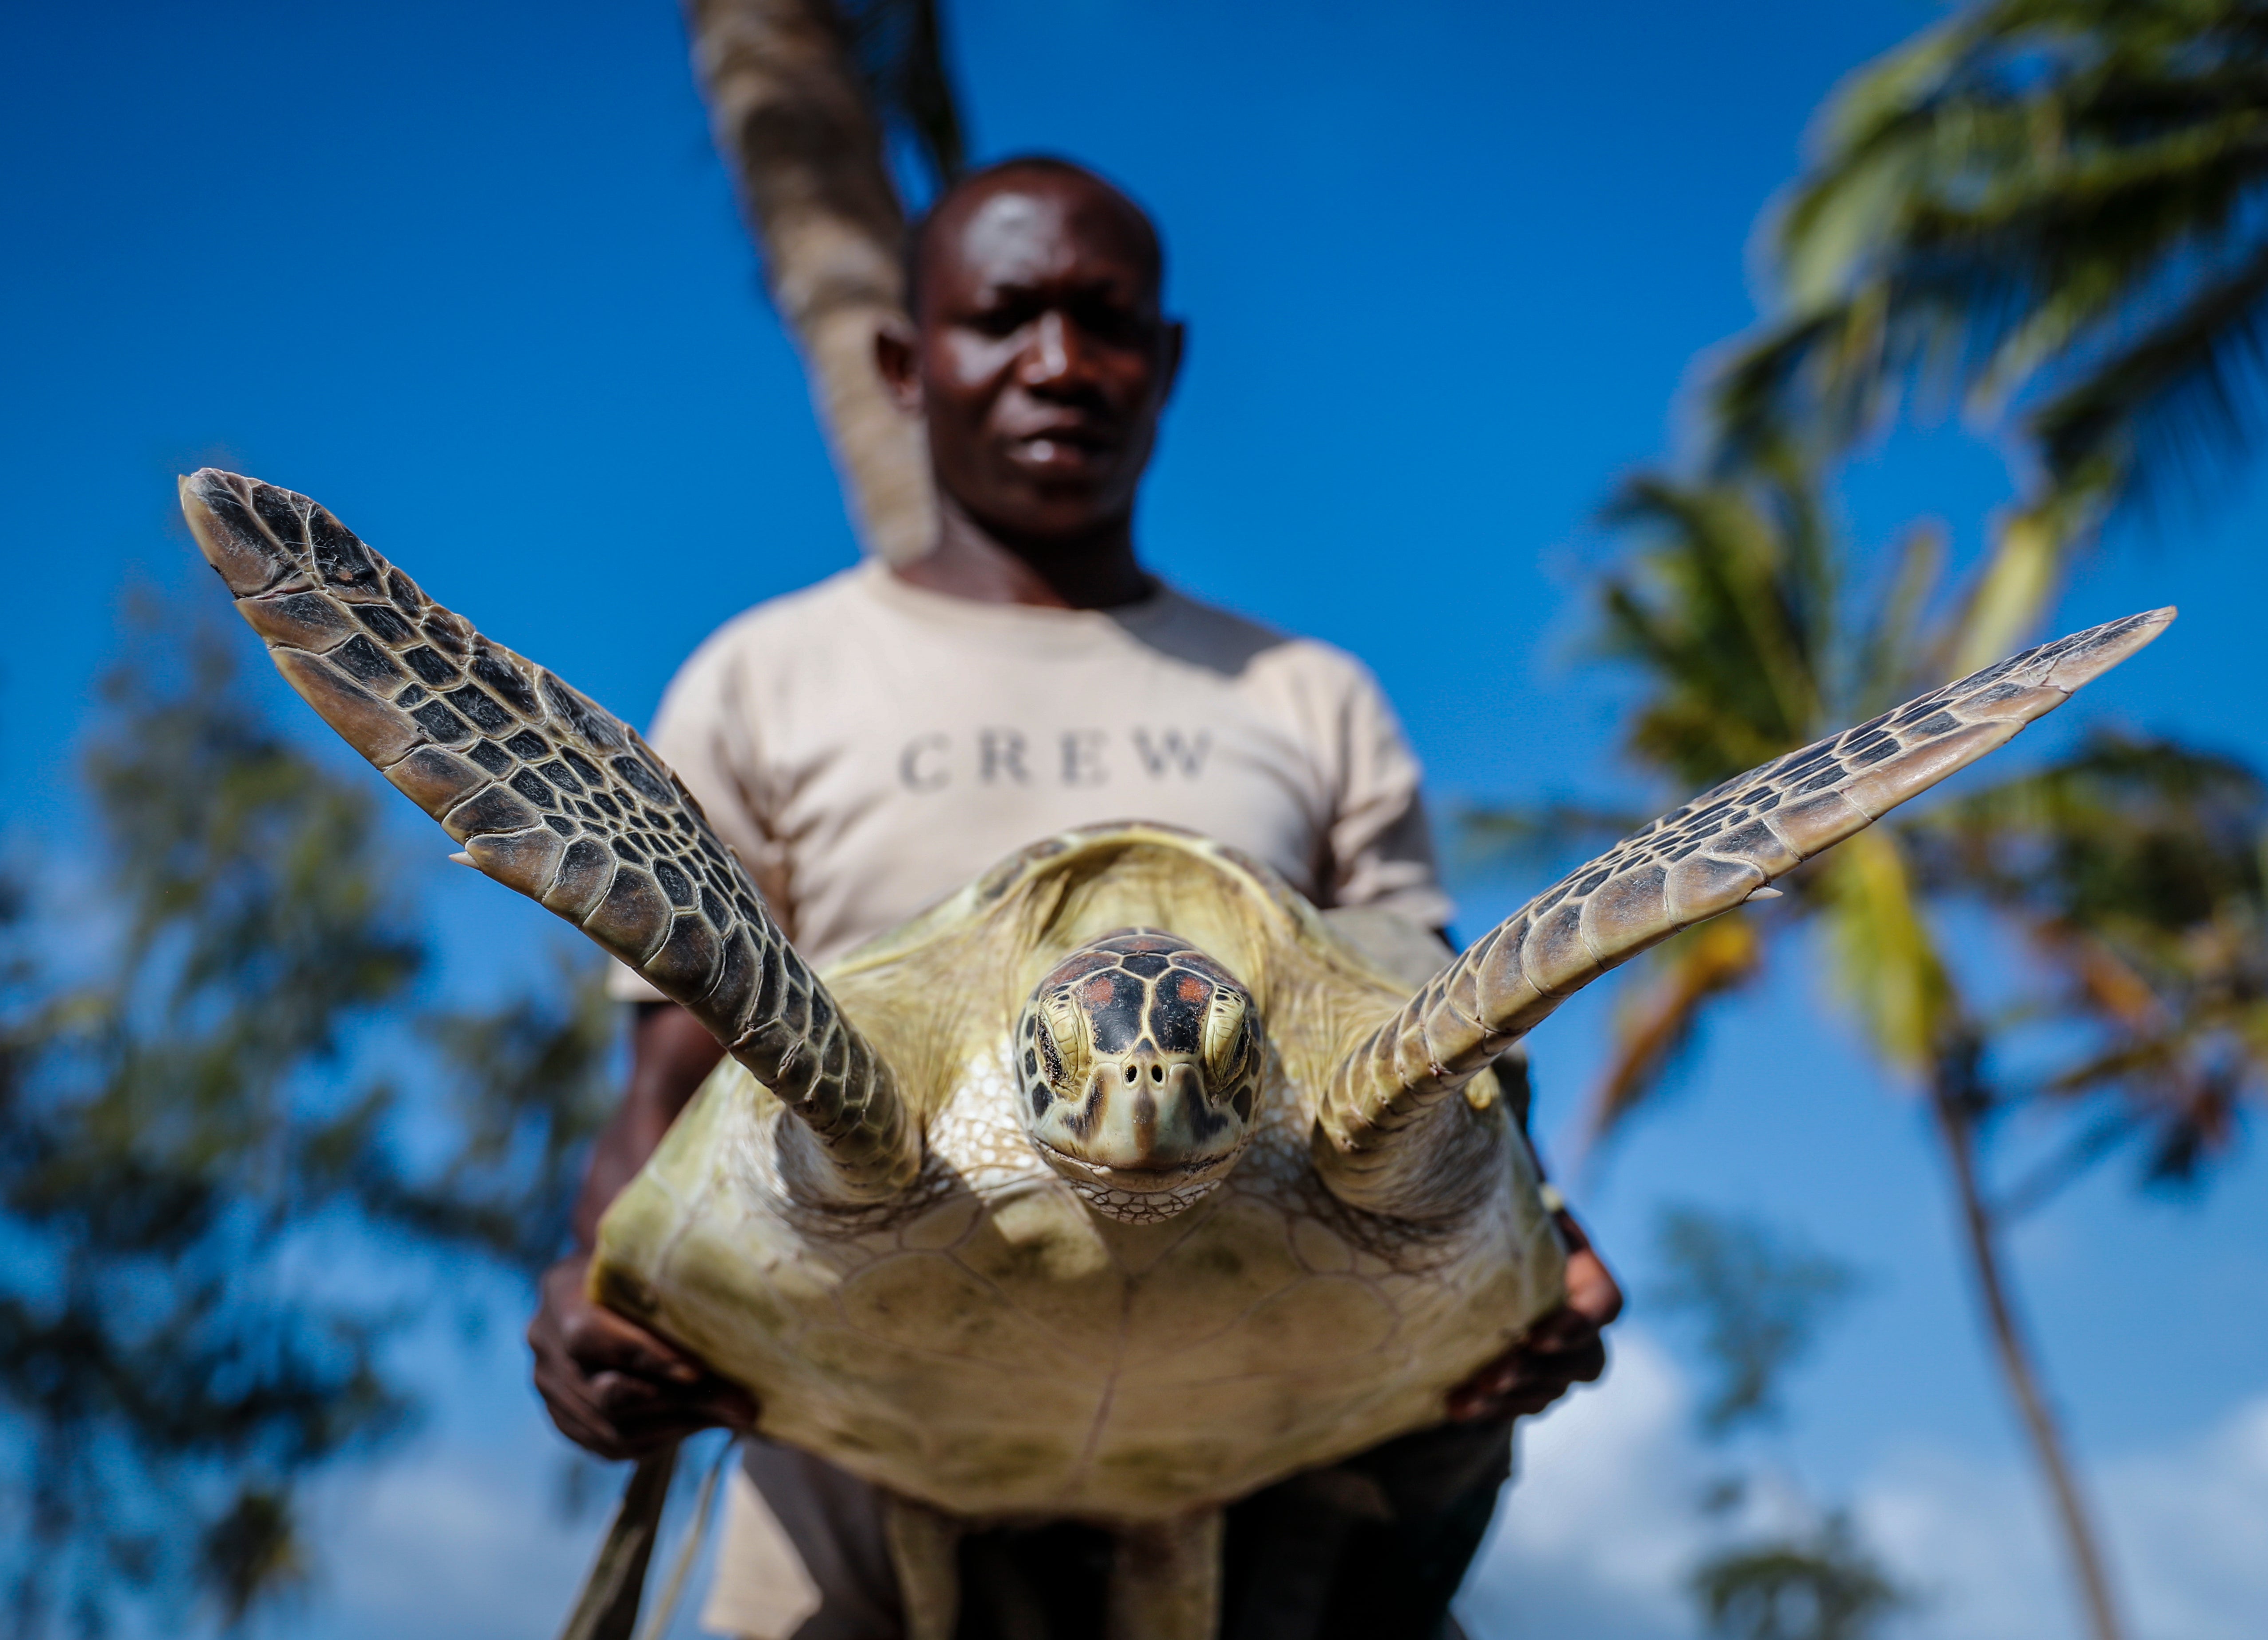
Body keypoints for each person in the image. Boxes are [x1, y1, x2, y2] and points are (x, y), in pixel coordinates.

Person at [528, 156, 1623, 1640]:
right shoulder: (767, 675)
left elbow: (1451, 1039)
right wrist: (597, 1293)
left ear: (1163, 364)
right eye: (1006, 317)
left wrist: (1532, 1254)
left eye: (1102, 322)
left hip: (1273, 1461)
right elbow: (665, 1088)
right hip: (848, 1446)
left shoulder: (1305, 697)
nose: (1057, 364)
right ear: (907, 363)